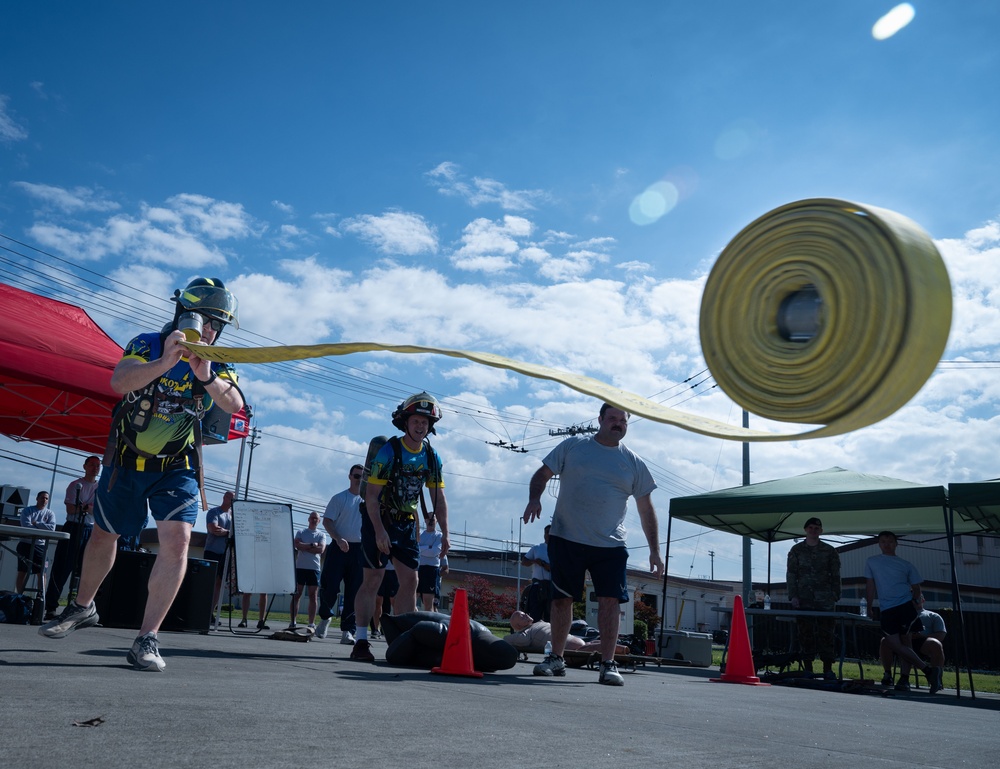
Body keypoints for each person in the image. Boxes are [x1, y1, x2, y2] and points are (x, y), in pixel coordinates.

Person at [39, 277, 244, 674]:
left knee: (178, 540)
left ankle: (146, 638)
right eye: (208, 321)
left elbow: (233, 403)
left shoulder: (217, 359)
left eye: (218, 325)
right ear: (185, 315)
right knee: (105, 534)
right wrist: (167, 361)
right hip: (128, 459)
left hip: (177, 464)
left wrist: (205, 374)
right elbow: (119, 382)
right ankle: (83, 606)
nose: (212, 331)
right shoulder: (147, 343)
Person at [523, 403, 662, 687]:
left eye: (622, 420)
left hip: (610, 545)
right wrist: (534, 498)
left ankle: (608, 664)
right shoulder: (574, 446)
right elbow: (541, 475)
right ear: (599, 420)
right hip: (567, 537)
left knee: (611, 602)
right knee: (562, 599)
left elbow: (647, 509)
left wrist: (655, 551)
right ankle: (557, 658)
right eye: (612, 418)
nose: (617, 424)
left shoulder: (634, 463)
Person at [350, 392, 449, 663]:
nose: (421, 427)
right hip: (379, 519)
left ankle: (404, 639)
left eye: (425, 423)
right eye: (416, 421)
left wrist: (446, 534)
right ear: (405, 422)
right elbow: (370, 498)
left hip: (406, 524)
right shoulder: (388, 451)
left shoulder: (431, 456)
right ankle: (360, 640)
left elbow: (438, 499)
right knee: (373, 580)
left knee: (411, 581)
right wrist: (380, 531)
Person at [865, 531, 942, 694]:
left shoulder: (905, 564)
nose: (886, 544)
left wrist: (914, 603)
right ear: (879, 544)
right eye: (883, 541)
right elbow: (870, 585)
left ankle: (904, 679)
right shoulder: (872, 562)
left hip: (905, 606)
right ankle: (928, 671)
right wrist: (869, 606)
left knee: (906, 643)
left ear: (896, 544)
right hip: (887, 608)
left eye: (890, 541)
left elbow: (916, 588)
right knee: (894, 643)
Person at [44, 455, 101, 619]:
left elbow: (98, 510)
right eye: (91, 465)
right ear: (85, 466)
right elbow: (71, 510)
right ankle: (51, 607)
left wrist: (84, 507)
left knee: (88, 570)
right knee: (62, 567)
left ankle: (82, 607)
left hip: (90, 529)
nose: (95, 468)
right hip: (73, 527)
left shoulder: (101, 488)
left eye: (97, 465)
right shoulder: (76, 485)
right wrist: (87, 508)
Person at [785, 516, 841, 677]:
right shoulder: (796, 550)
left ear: (821, 531)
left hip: (825, 599)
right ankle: (808, 667)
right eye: (810, 528)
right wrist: (793, 596)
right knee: (805, 633)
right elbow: (791, 574)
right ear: (805, 530)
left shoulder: (829, 551)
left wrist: (835, 595)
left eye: (816, 528)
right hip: (804, 598)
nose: (813, 530)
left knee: (827, 634)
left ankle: (828, 668)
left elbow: (836, 574)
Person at [316, 465, 365, 644]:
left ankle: (348, 631)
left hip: (359, 550)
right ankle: (325, 617)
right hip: (338, 548)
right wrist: (338, 538)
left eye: (362, 476)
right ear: (350, 476)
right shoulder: (339, 498)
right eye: (356, 476)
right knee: (330, 586)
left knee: (354, 591)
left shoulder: (369, 501)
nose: (359, 479)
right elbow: (327, 521)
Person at [879, 594, 947, 690]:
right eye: (911, 598)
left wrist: (921, 636)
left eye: (917, 598)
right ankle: (887, 674)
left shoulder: (933, 616)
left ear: (923, 600)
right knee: (885, 641)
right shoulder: (902, 614)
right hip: (902, 640)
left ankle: (936, 679)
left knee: (936, 644)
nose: (914, 600)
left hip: (923, 642)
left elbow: (941, 635)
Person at [289, 511, 326, 630]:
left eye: (316, 519)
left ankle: (311, 623)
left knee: (313, 596)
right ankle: (293, 621)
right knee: (297, 595)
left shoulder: (321, 535)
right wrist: (312, 545)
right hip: (300, 567)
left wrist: (306, 547)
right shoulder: (301, 532)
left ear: (319, 521)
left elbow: (320, 549)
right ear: (308, 519)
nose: (314, 520)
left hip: (314, 568)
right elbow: (297, 545)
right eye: (312, 518)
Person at [203, 490, 235, 624]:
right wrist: (229, 532)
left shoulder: (234, 516)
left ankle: (210, 613)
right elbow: (214, 529)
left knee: (220, 583)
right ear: (224, 497)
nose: (231, 500)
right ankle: (202, 611)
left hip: (226, 553)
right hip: (212, 551)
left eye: (233, 498)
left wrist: (225, 532)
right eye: (229, 497)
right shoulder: (214, 512)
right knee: (208, 582)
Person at [16, 491, 56, 595]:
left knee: (42, 572)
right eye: (42, 498)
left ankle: (40, 596)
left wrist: (36, 523)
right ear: (37, 498)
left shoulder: (50, 513)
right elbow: (26, 526)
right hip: (25, 544)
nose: (44, 500)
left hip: (40, 546)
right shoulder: (28, 510)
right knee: (22, 571)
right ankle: (20, 597)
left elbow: (52, 528)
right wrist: (42, 527)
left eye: (46, 498)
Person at [503, 610, 586, 654]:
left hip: (570, 639)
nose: (525, 615)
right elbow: (520, 640)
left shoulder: (536, 624)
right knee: (589, 647)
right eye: (521, 616)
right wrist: (503, 639)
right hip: (567, 645)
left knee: (593, 644)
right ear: (518, 625)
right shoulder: (526, 633)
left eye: (524, 613)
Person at [417, 513, 448, 611]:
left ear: (437, 521)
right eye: (428, 519)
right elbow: (415, 549)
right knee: (412, 599)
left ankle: (429, 625)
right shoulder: (420, 535)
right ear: (425, 520)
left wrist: (422, 549)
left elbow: (434, 552)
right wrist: (428, 547)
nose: (430, 521)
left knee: (428, 603)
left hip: (431, 570)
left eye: (433, 519)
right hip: (419, 569)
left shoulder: (439, 535)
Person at [521, 524, 552, 622]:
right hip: (537, 586)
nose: (548, 534)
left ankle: (549, 636)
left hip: (551, 586)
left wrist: (543, 564)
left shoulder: (558, 550)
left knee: (550, 616)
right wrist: (534, 561)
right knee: (534, 615)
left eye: (551, 532)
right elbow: (524, 562)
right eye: (547, 532)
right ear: (544, 534)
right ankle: (533, 635)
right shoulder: (537, 548)